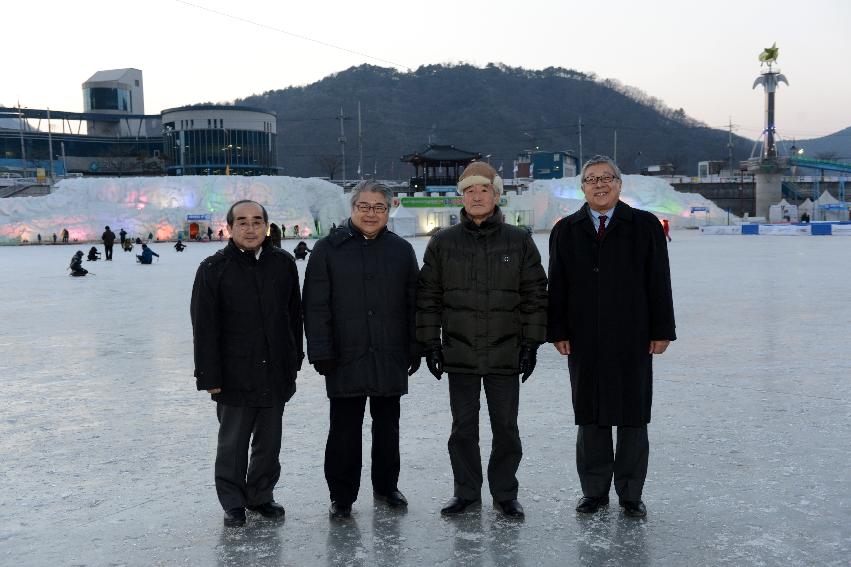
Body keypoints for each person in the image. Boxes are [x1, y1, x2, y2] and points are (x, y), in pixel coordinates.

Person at [416, 161, 548, 519]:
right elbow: (428, 297)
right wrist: (430, 344)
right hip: (459, 350)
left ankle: (505, 493)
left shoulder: (518, 241)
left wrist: (531, 344)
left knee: (506, 428)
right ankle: (466, 492)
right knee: (463, 429)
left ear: (496, 195)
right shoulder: (443, 242)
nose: (476, 196)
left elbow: (535, 294)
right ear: (462, 197)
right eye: (469, 191)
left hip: (505, 350)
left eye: (483, 190)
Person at [547, 155, 676, 520]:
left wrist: (662, 329)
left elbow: (658, 281)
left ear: (619, 184)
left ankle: (631, 494)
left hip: (632, 335)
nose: (600, 184)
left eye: (607, 178)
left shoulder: (645, 226)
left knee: (633, 415)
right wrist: (557, 329)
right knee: (590, 414)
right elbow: (557, 284)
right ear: (582, 187)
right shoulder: (566, 230)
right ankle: (594, 492)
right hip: (583, 337)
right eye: (592, 179)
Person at [303, 181, 420, 520]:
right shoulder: (328, 249)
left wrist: (414, 346)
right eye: (364, 206)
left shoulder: (400, 250)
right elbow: (315, 304)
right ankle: (342, 495)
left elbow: (414, 302)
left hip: (389, 352)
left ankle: (386, 486)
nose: (371, 213)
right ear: (352, 209)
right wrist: (321, 350)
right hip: (345, 354)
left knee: (387, 427)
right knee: (344, 429)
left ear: (388, 209)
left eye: (379, 207)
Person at [191, 200, 304, 528]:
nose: (250, 227)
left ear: (267, 226)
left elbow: (292, 317)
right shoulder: (213, 269)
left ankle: (260, 494)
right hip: (233, 373)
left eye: (257, 221)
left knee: (269, 442)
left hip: (275, 370)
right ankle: (233, 501)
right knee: (234, 444)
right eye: (242, 221)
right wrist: (209, 375)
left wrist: (293, 360)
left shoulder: (283, 264)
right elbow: (204, 327)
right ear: (230, 227)